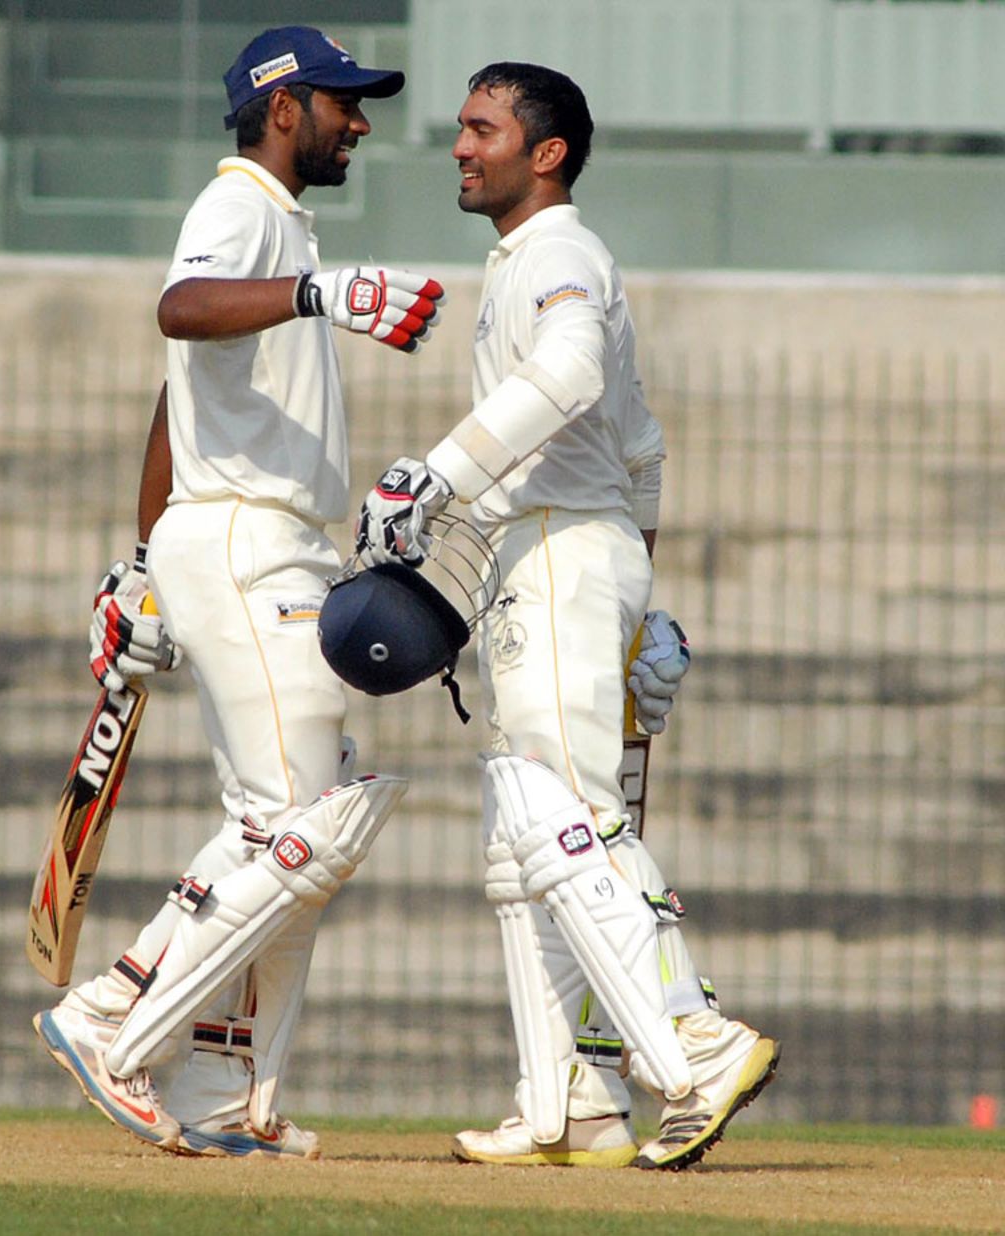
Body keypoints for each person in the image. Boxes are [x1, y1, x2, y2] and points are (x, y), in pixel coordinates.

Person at [355, 62, 779, 1170]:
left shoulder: (558, 254)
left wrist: (434, 476)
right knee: (524, 840)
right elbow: (640, 446)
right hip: (555, 560)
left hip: (555, 554)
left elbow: (577, 374)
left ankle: (694, 1042)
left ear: (545, 153)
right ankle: (571, 1104)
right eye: (460, 127)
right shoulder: (523, 263)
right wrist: (635, 598)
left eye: (482, 129)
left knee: (559, 819)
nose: (458, 145)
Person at [34, 26, 444, 1160]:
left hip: (249, 543)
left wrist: (143, 558)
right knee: (301, 827)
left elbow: (178, 395)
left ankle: (225, 1093)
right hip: (251, 544)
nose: (358, 121)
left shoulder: (275, 228)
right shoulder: (241, 207)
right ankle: (111, 1015)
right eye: (341, 102)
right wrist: (328, 292)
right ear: (282, 107)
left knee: (288, 827)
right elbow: (180, 311)